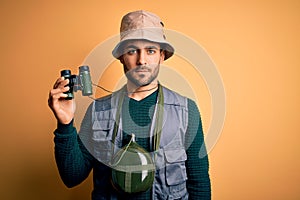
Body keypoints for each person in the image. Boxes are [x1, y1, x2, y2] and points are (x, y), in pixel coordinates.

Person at [48, 10, 211, 200]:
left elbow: (199, 183)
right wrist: (65, 124)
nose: (141, 60)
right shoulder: (97, 112)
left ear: (162, 56)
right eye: (133, 51)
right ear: (121, 57)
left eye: (150, 50)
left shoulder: (186, 111)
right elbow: (72, 177)